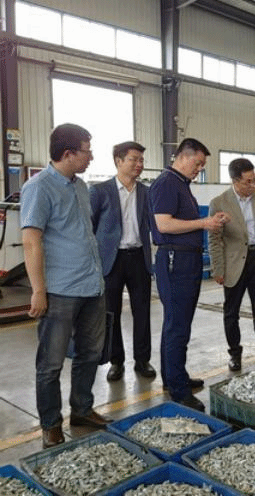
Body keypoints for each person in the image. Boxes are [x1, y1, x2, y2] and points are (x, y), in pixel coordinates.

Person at [21, 123, 110, 449]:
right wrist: (38, 290)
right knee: (51, 364)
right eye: (87, 151)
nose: (91, 157)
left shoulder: (81, 186)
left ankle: (82, 410)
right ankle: (51, 424)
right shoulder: (39, 187)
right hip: (60, 291)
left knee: (89, 354)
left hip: (91, 286)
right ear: (68, 153)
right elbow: (31, 241)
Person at [149, 138, 229, 411]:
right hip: (176, 260)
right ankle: (178, 390)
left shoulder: (180, 184)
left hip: (185, 258)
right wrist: (204, 223)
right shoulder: (167, 183)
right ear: (183, 157)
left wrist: (208, 222)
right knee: (177, 325)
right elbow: (164, 224)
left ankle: (174, 377)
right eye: (198, 163)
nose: (199, 169)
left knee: (176, 322)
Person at [90, 141, 155, 382]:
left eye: (141, 160)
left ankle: (142, 359)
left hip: (138, 258)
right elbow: (90, 227)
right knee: (111, 312)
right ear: (118, 161)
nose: (139, 164)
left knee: (142, 311)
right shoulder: (100, 191)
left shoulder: (147, 192)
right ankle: (116, 361)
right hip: (112, 260)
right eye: (133, 159)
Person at [208, 158, 255, 371]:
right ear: (235, 181)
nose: (252, 185)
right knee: (231, 312)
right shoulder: (219, 203)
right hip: (233, 263)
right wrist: (218, 268)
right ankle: (235, 354)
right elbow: (214, 239)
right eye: (248, 181)